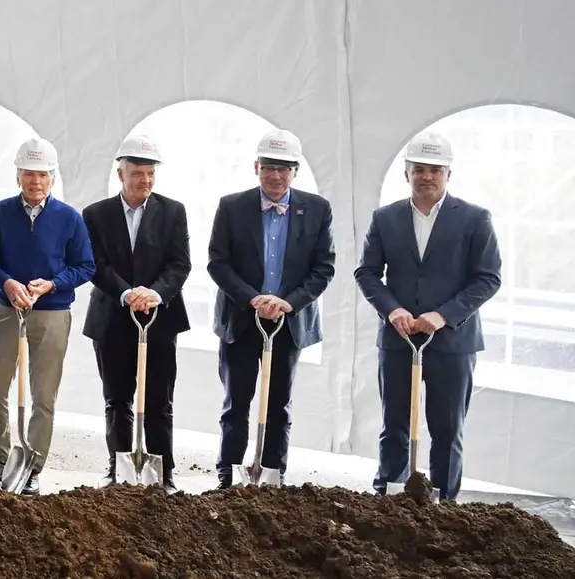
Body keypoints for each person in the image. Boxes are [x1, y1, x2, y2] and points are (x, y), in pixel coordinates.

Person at [354, 131, 501, 502]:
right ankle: (388, 496)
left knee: (447, 428)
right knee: (394, 425)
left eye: (435, 170)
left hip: (452, 341)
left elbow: (488, 278)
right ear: (407, 173)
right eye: (418, 169)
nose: (426, 176)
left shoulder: (474, 219)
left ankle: (443, 503)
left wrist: (444, 315)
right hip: (398, 339)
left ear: (448, 173)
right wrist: (392, 310)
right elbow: (367, 273)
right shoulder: (385, 219)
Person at [207, 129, 336, 489]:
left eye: (284, 169)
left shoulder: (317, 209)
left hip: (287, 323)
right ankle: (228, 477)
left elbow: (323, 267)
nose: (276, 176)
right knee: (236, 404)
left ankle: (271, 476)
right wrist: (253, 298)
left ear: (296, 171)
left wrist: (287, 303)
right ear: (256, 167)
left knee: (279, 405)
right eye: (269, 168)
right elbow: (218, 263)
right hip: (241, 320)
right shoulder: (232, 206)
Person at [0, 137, 95, 495]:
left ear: (52, 179)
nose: (35, 182)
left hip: (52, 315)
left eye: (42, 175)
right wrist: (8, 283)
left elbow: (86, 266)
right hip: (7, 310)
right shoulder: (0, 212)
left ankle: (32, 464)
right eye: (29, 174)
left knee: (43, 395)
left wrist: (52, 285)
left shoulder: (70, 219)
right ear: (18, 176)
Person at [80, 135, 190, 489]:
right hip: (112, 318)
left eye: (151, 174)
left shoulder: (173, 211)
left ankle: (163, 473)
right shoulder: (96, 215)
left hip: (159, 318)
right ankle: (119, 468)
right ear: (120, 173)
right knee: (117, 399)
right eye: (138, 173)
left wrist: (153, 293)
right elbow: (93, 264)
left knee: (159, 400)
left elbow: (180, 263)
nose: (145, 180)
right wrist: (126, 293)